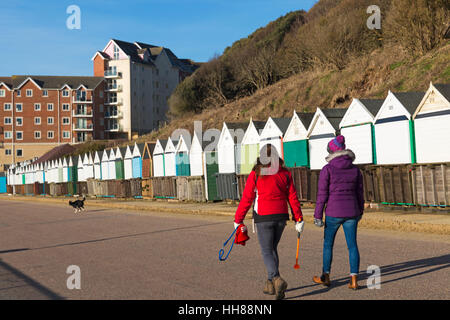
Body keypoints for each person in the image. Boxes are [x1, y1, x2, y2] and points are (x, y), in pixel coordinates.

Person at [234, 144, 304, 300]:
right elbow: (292, 197)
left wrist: (238, 219)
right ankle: (270, 283)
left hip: (263, 216)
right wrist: (298, 218)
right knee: (272, 248)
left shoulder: (256, 173)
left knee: (267, 251)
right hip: (281, 216)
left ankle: (277, 279)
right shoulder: (285, 173)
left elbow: (247, 198)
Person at [312, 135, 364, 290]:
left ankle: (326, 276)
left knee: (328, 244)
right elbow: (360, 193)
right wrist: (360, 211)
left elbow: (322, 195)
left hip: (333, 212)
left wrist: (317, 215)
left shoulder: (327, 169)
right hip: (352, 212)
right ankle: (354, 279)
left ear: (332, 151)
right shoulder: (355, 169)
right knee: (352, 246)